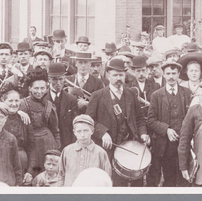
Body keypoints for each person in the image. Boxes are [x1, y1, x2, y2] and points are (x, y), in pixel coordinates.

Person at [86, 58, 150, 187]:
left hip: (130, 145)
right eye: (115, 75)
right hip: (108, 147)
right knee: (111, 182)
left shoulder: (131, 94)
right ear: (108, 76)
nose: (118, 78)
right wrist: (103, 133)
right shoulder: (98, 95)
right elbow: (89, 120)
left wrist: (143, 134)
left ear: (125, 75)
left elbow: (139, 118)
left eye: (121, 75)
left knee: (136, 182)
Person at [147, 62, 192, 187]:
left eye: (174, 73)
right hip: (166, 147)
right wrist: (166, 129)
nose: (171, 77)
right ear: (164, 75)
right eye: (168, 74)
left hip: (185, 144)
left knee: (185, 179)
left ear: (178, 74)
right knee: (169, 179)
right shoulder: (156, 95)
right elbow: (150, 120)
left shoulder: (187, 93)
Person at [20, 67, 61, 175]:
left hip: (48, 144)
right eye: (36, 88)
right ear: (30, 88)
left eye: (42, 88)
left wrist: (56, 148)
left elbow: (55, 130)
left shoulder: (49, 105)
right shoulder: (22, 104)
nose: (39, 91)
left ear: (47, 88)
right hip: (30, 145)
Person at [58, 115, 112, 187]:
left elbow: (106, 178)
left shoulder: (100, 153)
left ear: (92, 131)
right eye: (79, 131)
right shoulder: (67, 151)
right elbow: (60, 176)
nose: (82, 135)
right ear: (74, 132)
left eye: (86, 131)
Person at [0, 86, 36, 185]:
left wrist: (30, 171)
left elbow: (32, 147)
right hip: (3, 167)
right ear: (3, 101)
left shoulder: (24, 120)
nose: (14, 104)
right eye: (10, 100)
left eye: (17, 100)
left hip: (22, 167)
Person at [46, 63, 79, 150]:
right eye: (54, 79)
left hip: (66, 144)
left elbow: (74, 125)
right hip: (47, 143)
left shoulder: (71, 100)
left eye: (61, 79)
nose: (58, 83)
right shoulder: (42, 98)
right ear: (48, 79)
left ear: (64, 78)